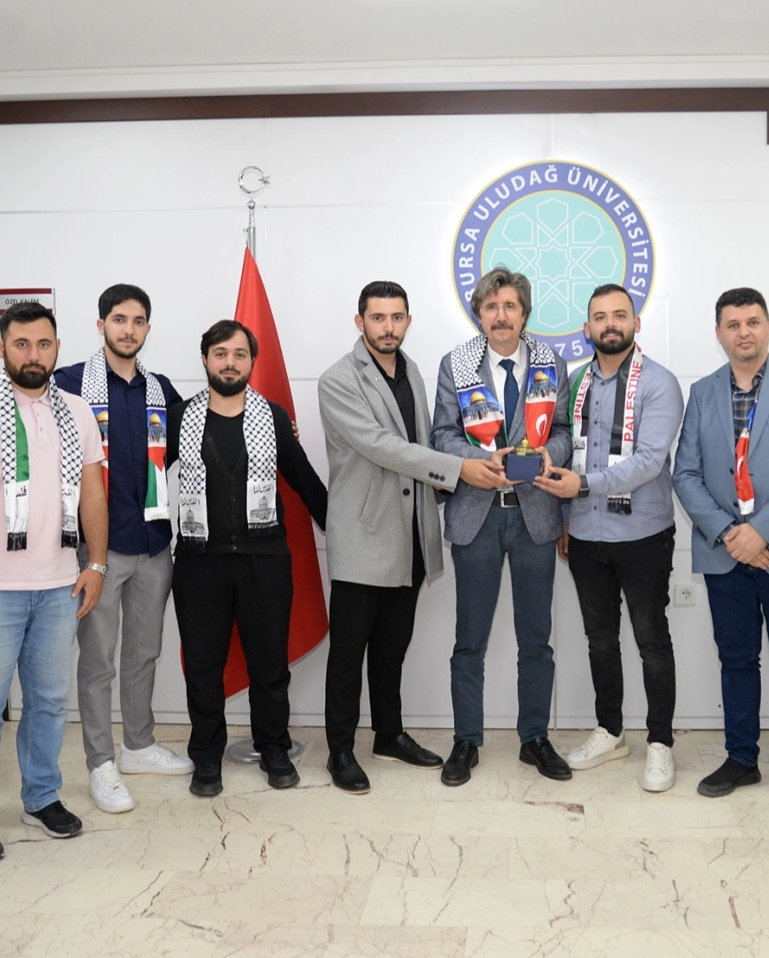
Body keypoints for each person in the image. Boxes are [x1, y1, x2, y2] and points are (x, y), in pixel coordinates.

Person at [0, 301, 108, 863]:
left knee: (49, 704)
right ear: (1, 347)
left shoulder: (78, 410)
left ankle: (41, 797)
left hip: (59, 587)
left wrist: (96, 565)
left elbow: (93, 493)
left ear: (57, 348)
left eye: (44, 344)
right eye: (22, 344)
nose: (34, 354)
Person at [673, 287, 769, 816]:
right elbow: (685, 473)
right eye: (733, 324)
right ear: (719, 334)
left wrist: (760, 532)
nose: (744, 331)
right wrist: (730, 534)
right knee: (736, 660)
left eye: (753, 321)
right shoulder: (702, 392)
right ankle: (741, 758)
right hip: (725, 553)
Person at [317, 281, 468, 793]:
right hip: (365, 535)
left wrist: (442, 485)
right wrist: (458, 469)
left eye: (397, 317)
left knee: (391, 649)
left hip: (411, 537)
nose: (388, 327)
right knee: (348, 654)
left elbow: (417, 443)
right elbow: (381, 446)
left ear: (408, 321)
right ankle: (340, 750)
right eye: (378, 317)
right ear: (359, 321)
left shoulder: (413, 372)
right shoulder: (338, 379)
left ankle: (388, 734)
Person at [166, 320, 327, 796]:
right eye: (220, 353)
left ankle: (274, 748)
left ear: (252, 362)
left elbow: (303, 479)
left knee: (270, 666)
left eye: (239, 354)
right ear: (205, 360)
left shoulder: (273, 417)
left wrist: (343, 525)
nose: (230, 362)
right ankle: (206, 757)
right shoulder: (179, 418)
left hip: (264, 561)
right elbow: (146, 479)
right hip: (199, 563)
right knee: (202, 668)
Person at [535, 283, 683, 791]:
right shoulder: (575, 383)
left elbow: (649, 461)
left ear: (636, 323)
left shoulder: (658, 383)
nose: (610, 324)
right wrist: (565, 517)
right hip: (585, 536)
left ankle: (660, 742)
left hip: (643, 534)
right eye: (600, 317)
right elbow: (566, 453)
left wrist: (583, 487)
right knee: (600, 640)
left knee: (651, 640)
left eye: (620, 315)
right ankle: (611, 731)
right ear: (587, 328)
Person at [431, 266, 572, 786]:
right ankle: (466, 740)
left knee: (536, 638)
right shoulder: (457, 364)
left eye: (510, 306)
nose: (501, 315)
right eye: (491, 307)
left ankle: (534, 738)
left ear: (524, 313)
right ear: (479, 315)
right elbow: (442, 434)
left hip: (535, 515)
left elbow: (564, 430)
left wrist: (548, 455)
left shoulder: (550, 362)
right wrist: (477, 461)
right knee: (470, 639)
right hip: (477, 514)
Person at [53, 284, 191, 814]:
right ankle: (100, 763)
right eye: (118, 319)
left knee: (143, 652)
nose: (128, 330)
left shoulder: (161, 389)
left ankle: (138, 744)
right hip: (98, 551)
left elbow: (198, 435)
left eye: (137, 321)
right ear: (101, 325)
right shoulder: (69, 385)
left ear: (147, 329)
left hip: (154, 544)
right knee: (97, 662)